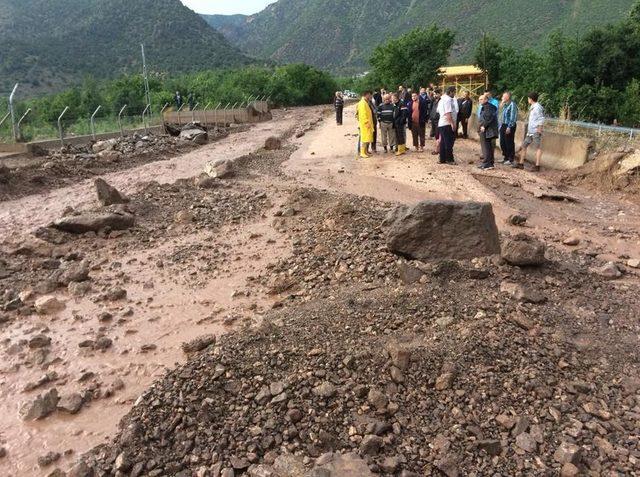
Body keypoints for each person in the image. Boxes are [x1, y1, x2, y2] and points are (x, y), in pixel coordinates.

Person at [514, 92, 544, 171]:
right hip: (530, 131)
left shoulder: (537, 107)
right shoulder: (533, 106)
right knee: (524, 146)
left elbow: (541, 118)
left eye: (528, 98)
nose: (528, 100)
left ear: (530, 99)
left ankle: (537, 166)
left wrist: (539, 129)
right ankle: (521, 163)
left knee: (538, 147)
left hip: (535, 130)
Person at [477, 94, 499, 170]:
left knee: (486, 147)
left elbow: (488, 117)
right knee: (488, 147)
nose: (480, 101)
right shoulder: (487, 106)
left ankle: (487, 163)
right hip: (488, 130)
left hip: (487, 130)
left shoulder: (488, 107)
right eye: (479, 99)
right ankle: (489, 163)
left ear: (486, 100)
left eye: (481, 99)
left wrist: (484, 126)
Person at [437, 86, 457, 164]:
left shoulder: (441, 100)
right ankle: (449, 159)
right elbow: (448, 113)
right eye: (454, 92)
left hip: (442, 123)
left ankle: (442, 159)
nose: (454, 94)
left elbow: (438, 111)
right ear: (450, 92)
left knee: (443, 142)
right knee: (449, 142)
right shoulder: (448, 100)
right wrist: (452, 124)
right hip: (447, 123)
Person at [499, 91, 519, 165]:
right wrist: (501, 103)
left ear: (507, 97)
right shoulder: (504, 104)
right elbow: (500, 113)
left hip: (509, 125)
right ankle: (505, 157)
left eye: (503, 96)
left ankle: (511, 159)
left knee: (509, 142)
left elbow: (513, 117)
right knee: (502, 142)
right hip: (503, 125)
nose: (502, 98)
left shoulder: (512, 105)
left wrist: (509, 127)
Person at [357, 91, 374, 158]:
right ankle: (362, 152)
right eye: (370, 95)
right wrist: (366, 123)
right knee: (364, 139)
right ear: (366, 95)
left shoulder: (365, 102)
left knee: (367, 139)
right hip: (365, 125)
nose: (371, 97)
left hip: (367, 124)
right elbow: (363, 115)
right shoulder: (362, 103)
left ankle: (365, 151)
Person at [429, 89, 441, 155]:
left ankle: (437, 149)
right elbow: (431, 109)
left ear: (440, 94)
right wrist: (430, 117)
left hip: (438, 120)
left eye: (437, 94)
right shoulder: (433, 101)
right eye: (434, 94)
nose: (435, 95)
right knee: (435, 135)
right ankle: (437, 148)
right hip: (433, 119)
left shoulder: (441, 101)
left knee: (438, 134)